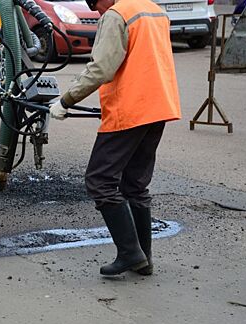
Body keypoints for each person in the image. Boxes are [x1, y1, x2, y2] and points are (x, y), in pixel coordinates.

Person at [49, 0, 181, 276]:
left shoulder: (116, 15)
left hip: (131, 110)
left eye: (95, 5)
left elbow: (101, 68)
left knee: (100, 180)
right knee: (135, 184)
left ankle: (130, 252)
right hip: (159, 105)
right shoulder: (153, 8)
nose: (97, 12)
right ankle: (143, 258)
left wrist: (66, 100)